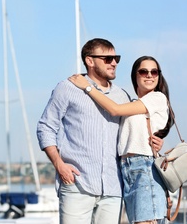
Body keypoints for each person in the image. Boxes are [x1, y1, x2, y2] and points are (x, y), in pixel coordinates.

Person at [36, 39, 164, 224]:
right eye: (108, 58)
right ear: (90, 61)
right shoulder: (67, 88)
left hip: (113, 189)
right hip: (78, 184)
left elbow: (133, 131)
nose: (114, 63)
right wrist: (59, 164)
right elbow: (45, 127)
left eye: (116, 58)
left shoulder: (122, 96)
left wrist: (156, 142)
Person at [68, 56, 173, 224]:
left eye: (154, 72)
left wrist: (87, 87)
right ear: (135, 76)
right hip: (126, 170)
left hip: (144, 169)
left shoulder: (157, 98)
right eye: (143, 71)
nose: (149, 75)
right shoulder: (133, 103)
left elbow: (114, 110)